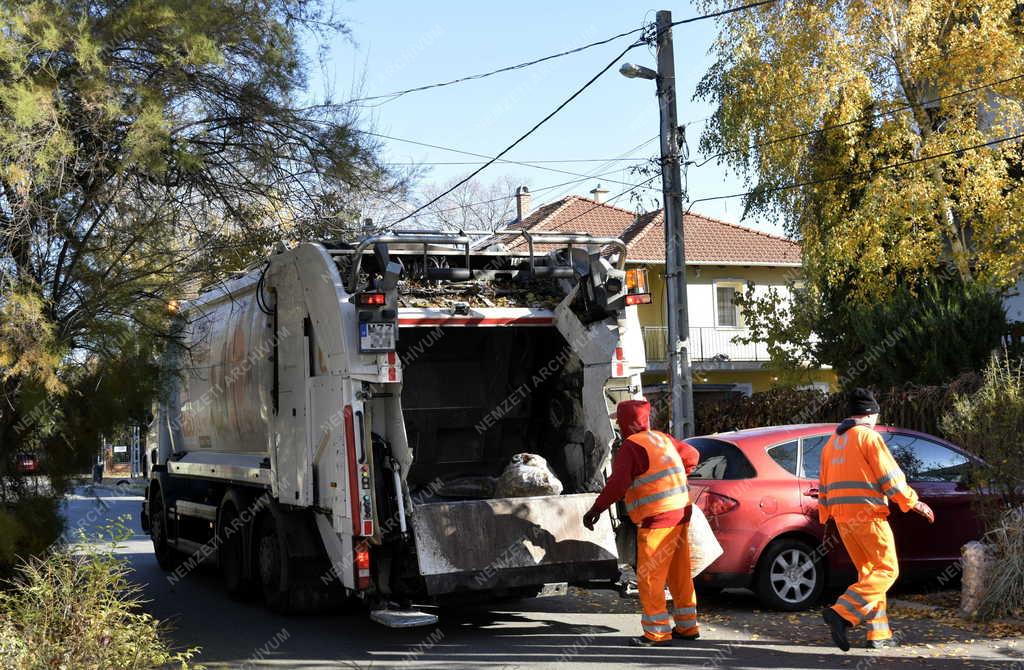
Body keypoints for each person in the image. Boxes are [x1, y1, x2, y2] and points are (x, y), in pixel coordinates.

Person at [819, 388, 935, 651]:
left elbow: (823, 486)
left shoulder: (832, 443)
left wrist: (827, 519)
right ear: (870, 415)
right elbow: (890, 477)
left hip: (843, 520)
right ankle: (841, 612)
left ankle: (878, 634)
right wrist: (911, 501)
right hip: (868, 515)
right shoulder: (869, 438)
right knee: (887, 570)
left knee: (870, 574)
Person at [582, 398, 700, 647]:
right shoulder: (662, 438)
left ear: (625, 423)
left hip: (658, 518)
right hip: (681, 512)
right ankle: (688, 627)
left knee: (650, 576)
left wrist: (596, 509)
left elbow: (617, 484)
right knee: (680, 574)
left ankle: (656, 633)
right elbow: (692, 455)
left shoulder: (631, 447)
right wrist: (675, 476)